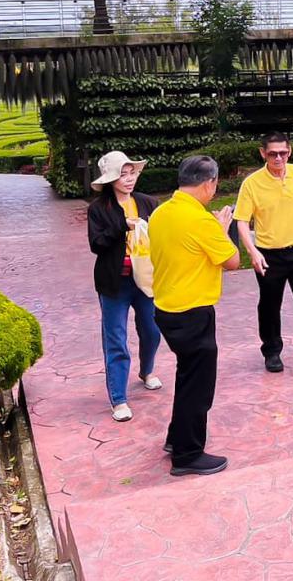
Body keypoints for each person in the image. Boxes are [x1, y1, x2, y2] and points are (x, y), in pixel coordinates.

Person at [148, 156, 240, 476]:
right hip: (193, 313)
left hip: (166, 309)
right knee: (199, 386)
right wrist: (223, 229)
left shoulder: (161, 212)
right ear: (209, 183)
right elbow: (232, 261)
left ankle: (177, 438)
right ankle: (188, 455)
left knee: (187, 377)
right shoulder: (201, 221)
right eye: (215, 183)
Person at [234, 132, 293, 378]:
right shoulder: (252, 183)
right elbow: (242, 222)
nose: (278, 158)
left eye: (283, 153)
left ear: (290, 152)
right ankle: (271, 351)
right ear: (263, 153)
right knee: (269, 305)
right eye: (272, 154)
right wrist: (252, 251)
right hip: (269, 255)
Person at [86, 151, 162, 423]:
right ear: (111, 179)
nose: (129, 179)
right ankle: (118, 398)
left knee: (152, 331)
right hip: (114, 283)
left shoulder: (148, 203)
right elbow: (97, 244)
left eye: (132, 173)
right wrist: (123, 226)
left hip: (146, 280)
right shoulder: (99, 209)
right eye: (123, 175)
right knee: (116, 340)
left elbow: (162, 233)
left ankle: (147, 370)